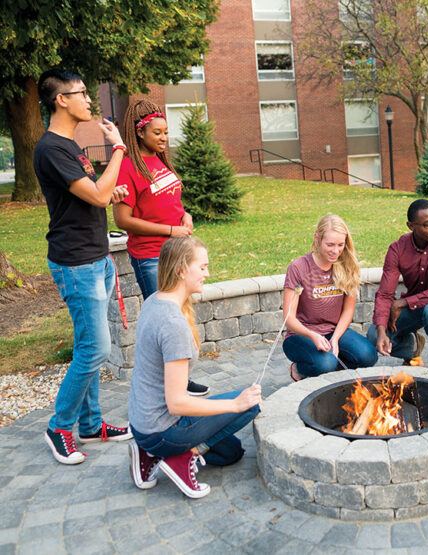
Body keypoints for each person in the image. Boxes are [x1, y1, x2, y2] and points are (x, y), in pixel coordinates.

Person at [34, 69, 132, 465]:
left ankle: (91, 425)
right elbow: (94, 194)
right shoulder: (52, 148)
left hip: (96, 257)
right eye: (82, 93)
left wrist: (112, 193)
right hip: (77, 264)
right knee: (95, 349)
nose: (89, 100)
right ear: (61, 99)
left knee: (88, 345)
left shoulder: (71, 146)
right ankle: (59, 427)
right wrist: (119, 150)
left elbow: (93, 195)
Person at [128, 237, 262, 499]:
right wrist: (235, 404)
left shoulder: (154, 300)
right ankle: (179, 459)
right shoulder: (172, 323)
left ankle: (149, 453)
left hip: (141, 425)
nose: (207, 274)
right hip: (162, 429)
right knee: (251, 404)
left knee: (231, 452)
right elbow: (177, 404)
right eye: (202, 267)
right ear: (181, 269)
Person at [113, 99, 208, 397]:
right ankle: (167, 385)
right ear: (140, 133)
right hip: (151, 255)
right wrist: (171, 230)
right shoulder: (128, 168)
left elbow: (170, 200)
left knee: (180, 317)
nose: (164, 138)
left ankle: (179, 379)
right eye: (158, 133)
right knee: (166, 321)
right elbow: (123, 219)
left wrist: (185, 215)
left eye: (166, 132)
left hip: (176, 250)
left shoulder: (161, 161)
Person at [367, 199, 428, 370]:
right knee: (373, 336)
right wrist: (381, 330)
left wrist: (402, 303)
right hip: (415, 308)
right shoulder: (397, 249)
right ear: (411, 226)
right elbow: (385, 294)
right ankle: (412, 348)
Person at [283, 214, 377, 380]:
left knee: (368, 356)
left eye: (340, 245)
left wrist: (335, 338)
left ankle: (331, 369)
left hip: (333, 331)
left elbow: (348, 310)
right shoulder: (299, 267)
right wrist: (313, 336)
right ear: (317, 238)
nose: (336, 251)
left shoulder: (347, 265)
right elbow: (289, 318)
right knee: (325, 364)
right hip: (301, 335)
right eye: (330, 245)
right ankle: (298, 369)